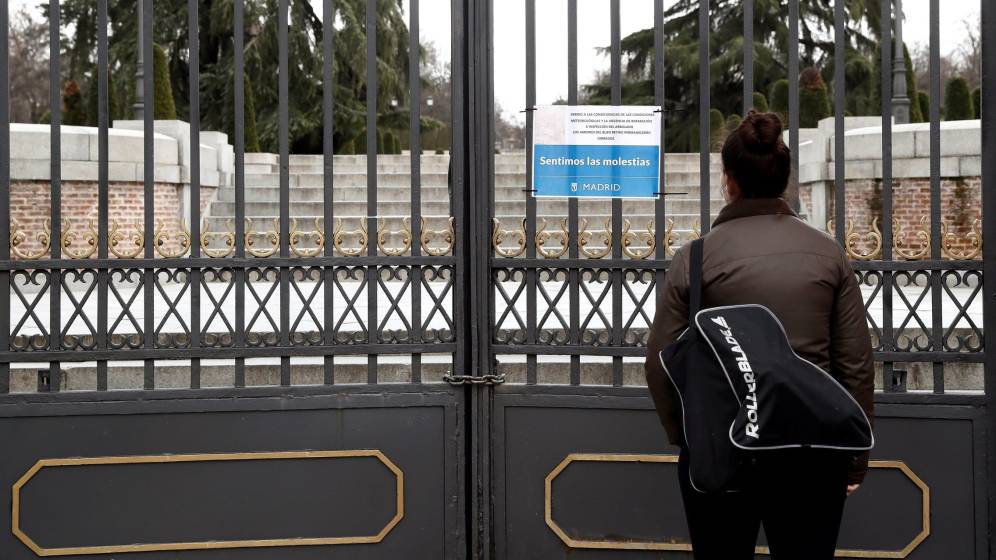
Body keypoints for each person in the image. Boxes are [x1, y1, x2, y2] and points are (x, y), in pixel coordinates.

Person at [644, 110, 874, 559]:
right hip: (813, 448)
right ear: (785, 181)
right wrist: (854, 456)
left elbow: (660, 362)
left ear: (728, 180)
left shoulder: (695, 258)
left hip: (724, 442)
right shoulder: (828, 254)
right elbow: (855, 364)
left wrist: (689, 437)